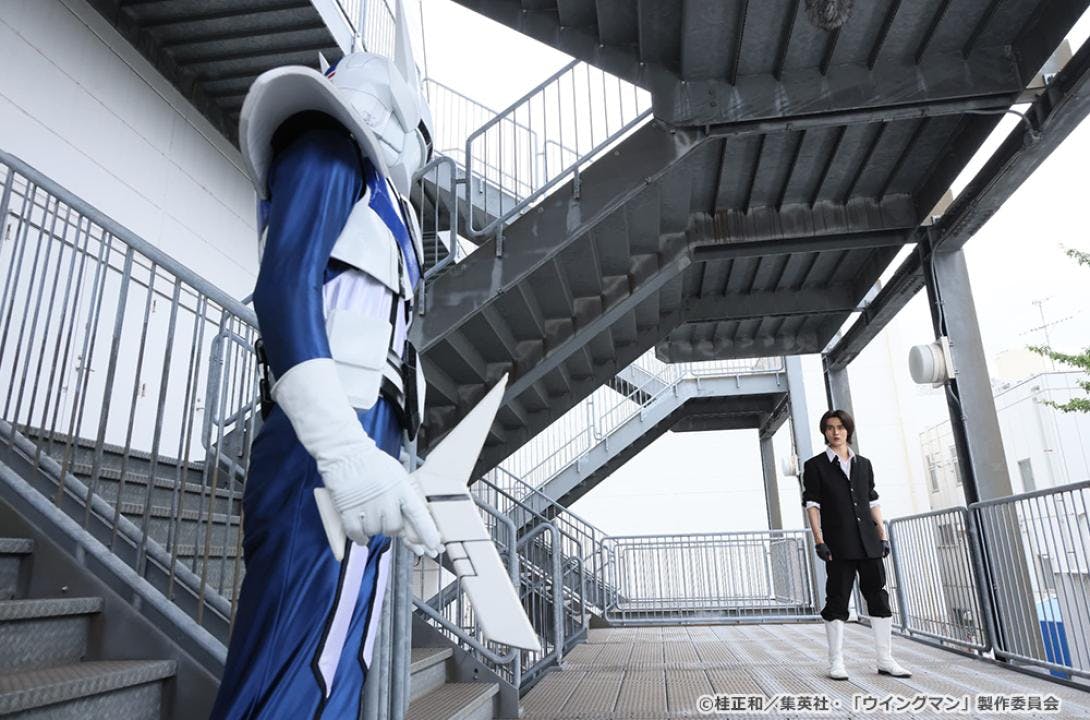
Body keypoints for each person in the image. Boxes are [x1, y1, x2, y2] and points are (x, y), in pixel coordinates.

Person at [209, 3, 444, 716]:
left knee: (339, 651)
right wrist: (342, 450)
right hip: (325, 445)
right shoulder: (326, 144)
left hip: (363, 444)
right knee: (297, 661)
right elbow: (285, 289)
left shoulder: (381, 201)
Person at [802, 409, 911, 681]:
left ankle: (885, 659)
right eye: (830, 427)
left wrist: (882, 535)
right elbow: (812, 505)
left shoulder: (864, 464)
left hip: (868, 542)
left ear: (848, 430)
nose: (835, 432)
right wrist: (819, 541)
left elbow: (872, 500)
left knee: (878, 597)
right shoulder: (815, 466)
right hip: (838, 543)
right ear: (824, 432)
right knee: (837, 599)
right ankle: (836, 662)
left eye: (840, 427)